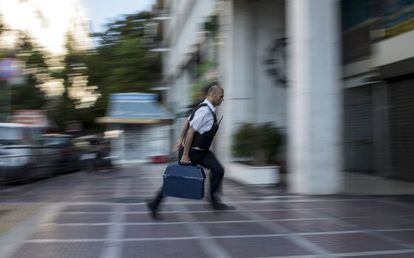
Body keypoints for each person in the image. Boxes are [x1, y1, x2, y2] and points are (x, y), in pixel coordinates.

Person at [146, 82, 233, 219]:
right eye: (221, 96)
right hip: (191, 152)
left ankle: (214, 201)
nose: (222, 99)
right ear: (213, 95)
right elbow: (191, 132)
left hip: (202, 152)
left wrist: (179, 138)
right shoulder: (204, 110)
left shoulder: (204, 107)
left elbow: (187, 122)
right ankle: (154, 204)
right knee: (176, 179)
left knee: (218, 170)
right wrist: (185, 154)